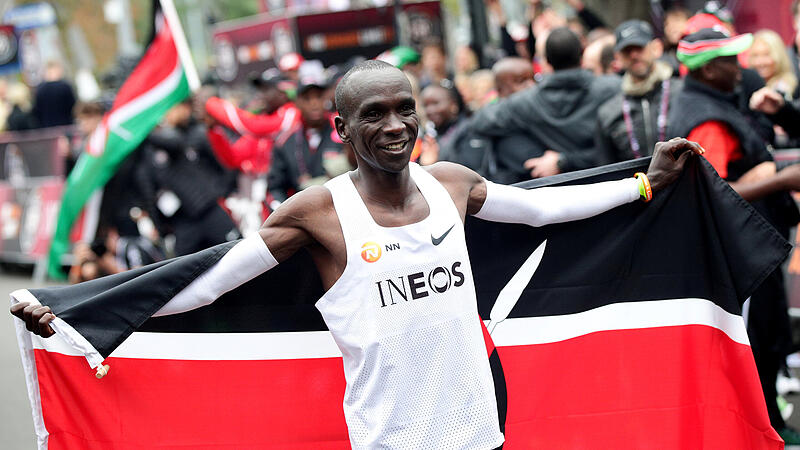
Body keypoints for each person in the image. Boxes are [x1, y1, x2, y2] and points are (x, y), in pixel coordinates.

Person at [13, 60, 701, 448]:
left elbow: (546, 206)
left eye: (406, 108)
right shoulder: (318, 212)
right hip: (390, 441)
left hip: (478, 431)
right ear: (341, 127)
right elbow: (207, 284)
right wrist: (77, 313)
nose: (397, 124)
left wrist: (644, 182)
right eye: (374, 114)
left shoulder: (452, 185)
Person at [670, 28, 800, 444]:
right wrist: (779, 179)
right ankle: (763, 432)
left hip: (748, 248)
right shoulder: (707, 116)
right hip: (742, 256)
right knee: (755, 342)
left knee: (766, 339)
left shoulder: (713, 101)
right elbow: (710, 191)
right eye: (731, 60)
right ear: (709, 70)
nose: (740, 67)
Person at [471, 27, 620, 179]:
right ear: (581, 54)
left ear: (547, 60)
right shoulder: (612, 88)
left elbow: (481, 121)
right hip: (608, 179)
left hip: (557, 188)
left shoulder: (527, 100)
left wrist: (558, 160)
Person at [597, 20, 681, 163]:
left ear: (656, 48)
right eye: (627, 51)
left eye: (639, 48)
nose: (634, 55)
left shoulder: (681, 93)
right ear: (617, 57)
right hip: (636, 184)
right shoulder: (609, 112)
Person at [266, 71, 348, 205]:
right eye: (307, 98)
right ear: (297, 102)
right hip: (303, 215)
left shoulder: (343, 130)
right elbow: (275, 188)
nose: (314, 104)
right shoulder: (285, 142)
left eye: (318, 97)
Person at [420, 81, 492, 174]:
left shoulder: (470, 130)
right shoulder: (431, 135)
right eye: (426, 105)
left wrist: (432, 165)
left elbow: (472, 172)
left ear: (453, 105)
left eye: (435, 103)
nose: (430, 110)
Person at [749, 29, 798, 99]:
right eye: (755, 55)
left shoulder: (785, 86)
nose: (760, 62)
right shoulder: (749, 85)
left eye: (766, 55)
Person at [31, 60, 76, 128]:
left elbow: (36, 111)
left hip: (47, 129)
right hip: (66, 127)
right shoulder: (65, 86)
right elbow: (73, 107)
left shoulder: (40, 89)